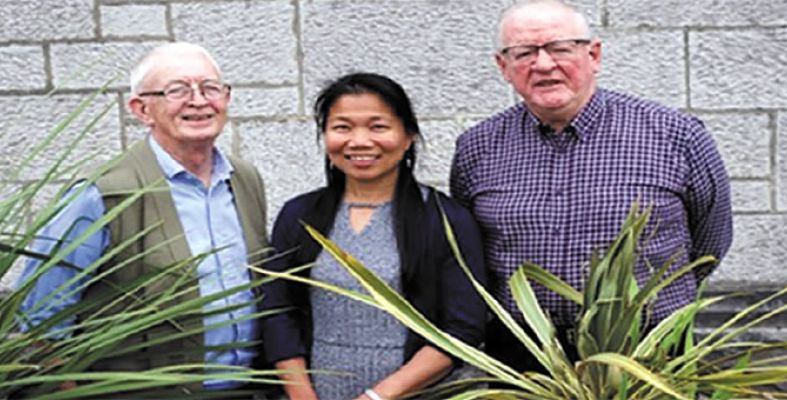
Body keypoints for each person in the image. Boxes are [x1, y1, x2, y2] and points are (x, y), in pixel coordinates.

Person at [449, 0, 733, 373]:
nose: (544, 64)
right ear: (504, 67)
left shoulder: (675, 136)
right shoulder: (477, 147)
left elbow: (710, 242)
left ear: (593, 55)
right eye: (524, 53)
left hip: (647, 353)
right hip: (524, 359)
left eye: (559, 48)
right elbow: (470, 246)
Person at [16, 42, 269, 394]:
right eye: (177, 90)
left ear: (226, 98)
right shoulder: (102, 194)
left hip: (246, 390)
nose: (198, 100)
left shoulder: (245, 180)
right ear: (141, 109)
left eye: (210, 88)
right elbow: (41, 317)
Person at [261, 72, 487, 400]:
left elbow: (462, 328)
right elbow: (277, 311)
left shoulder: (445, 220)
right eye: (342, 127)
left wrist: (376, 397)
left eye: (378, 126)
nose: (360, 141)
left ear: (408, 135)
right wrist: (301, 394)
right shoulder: (298, 216)